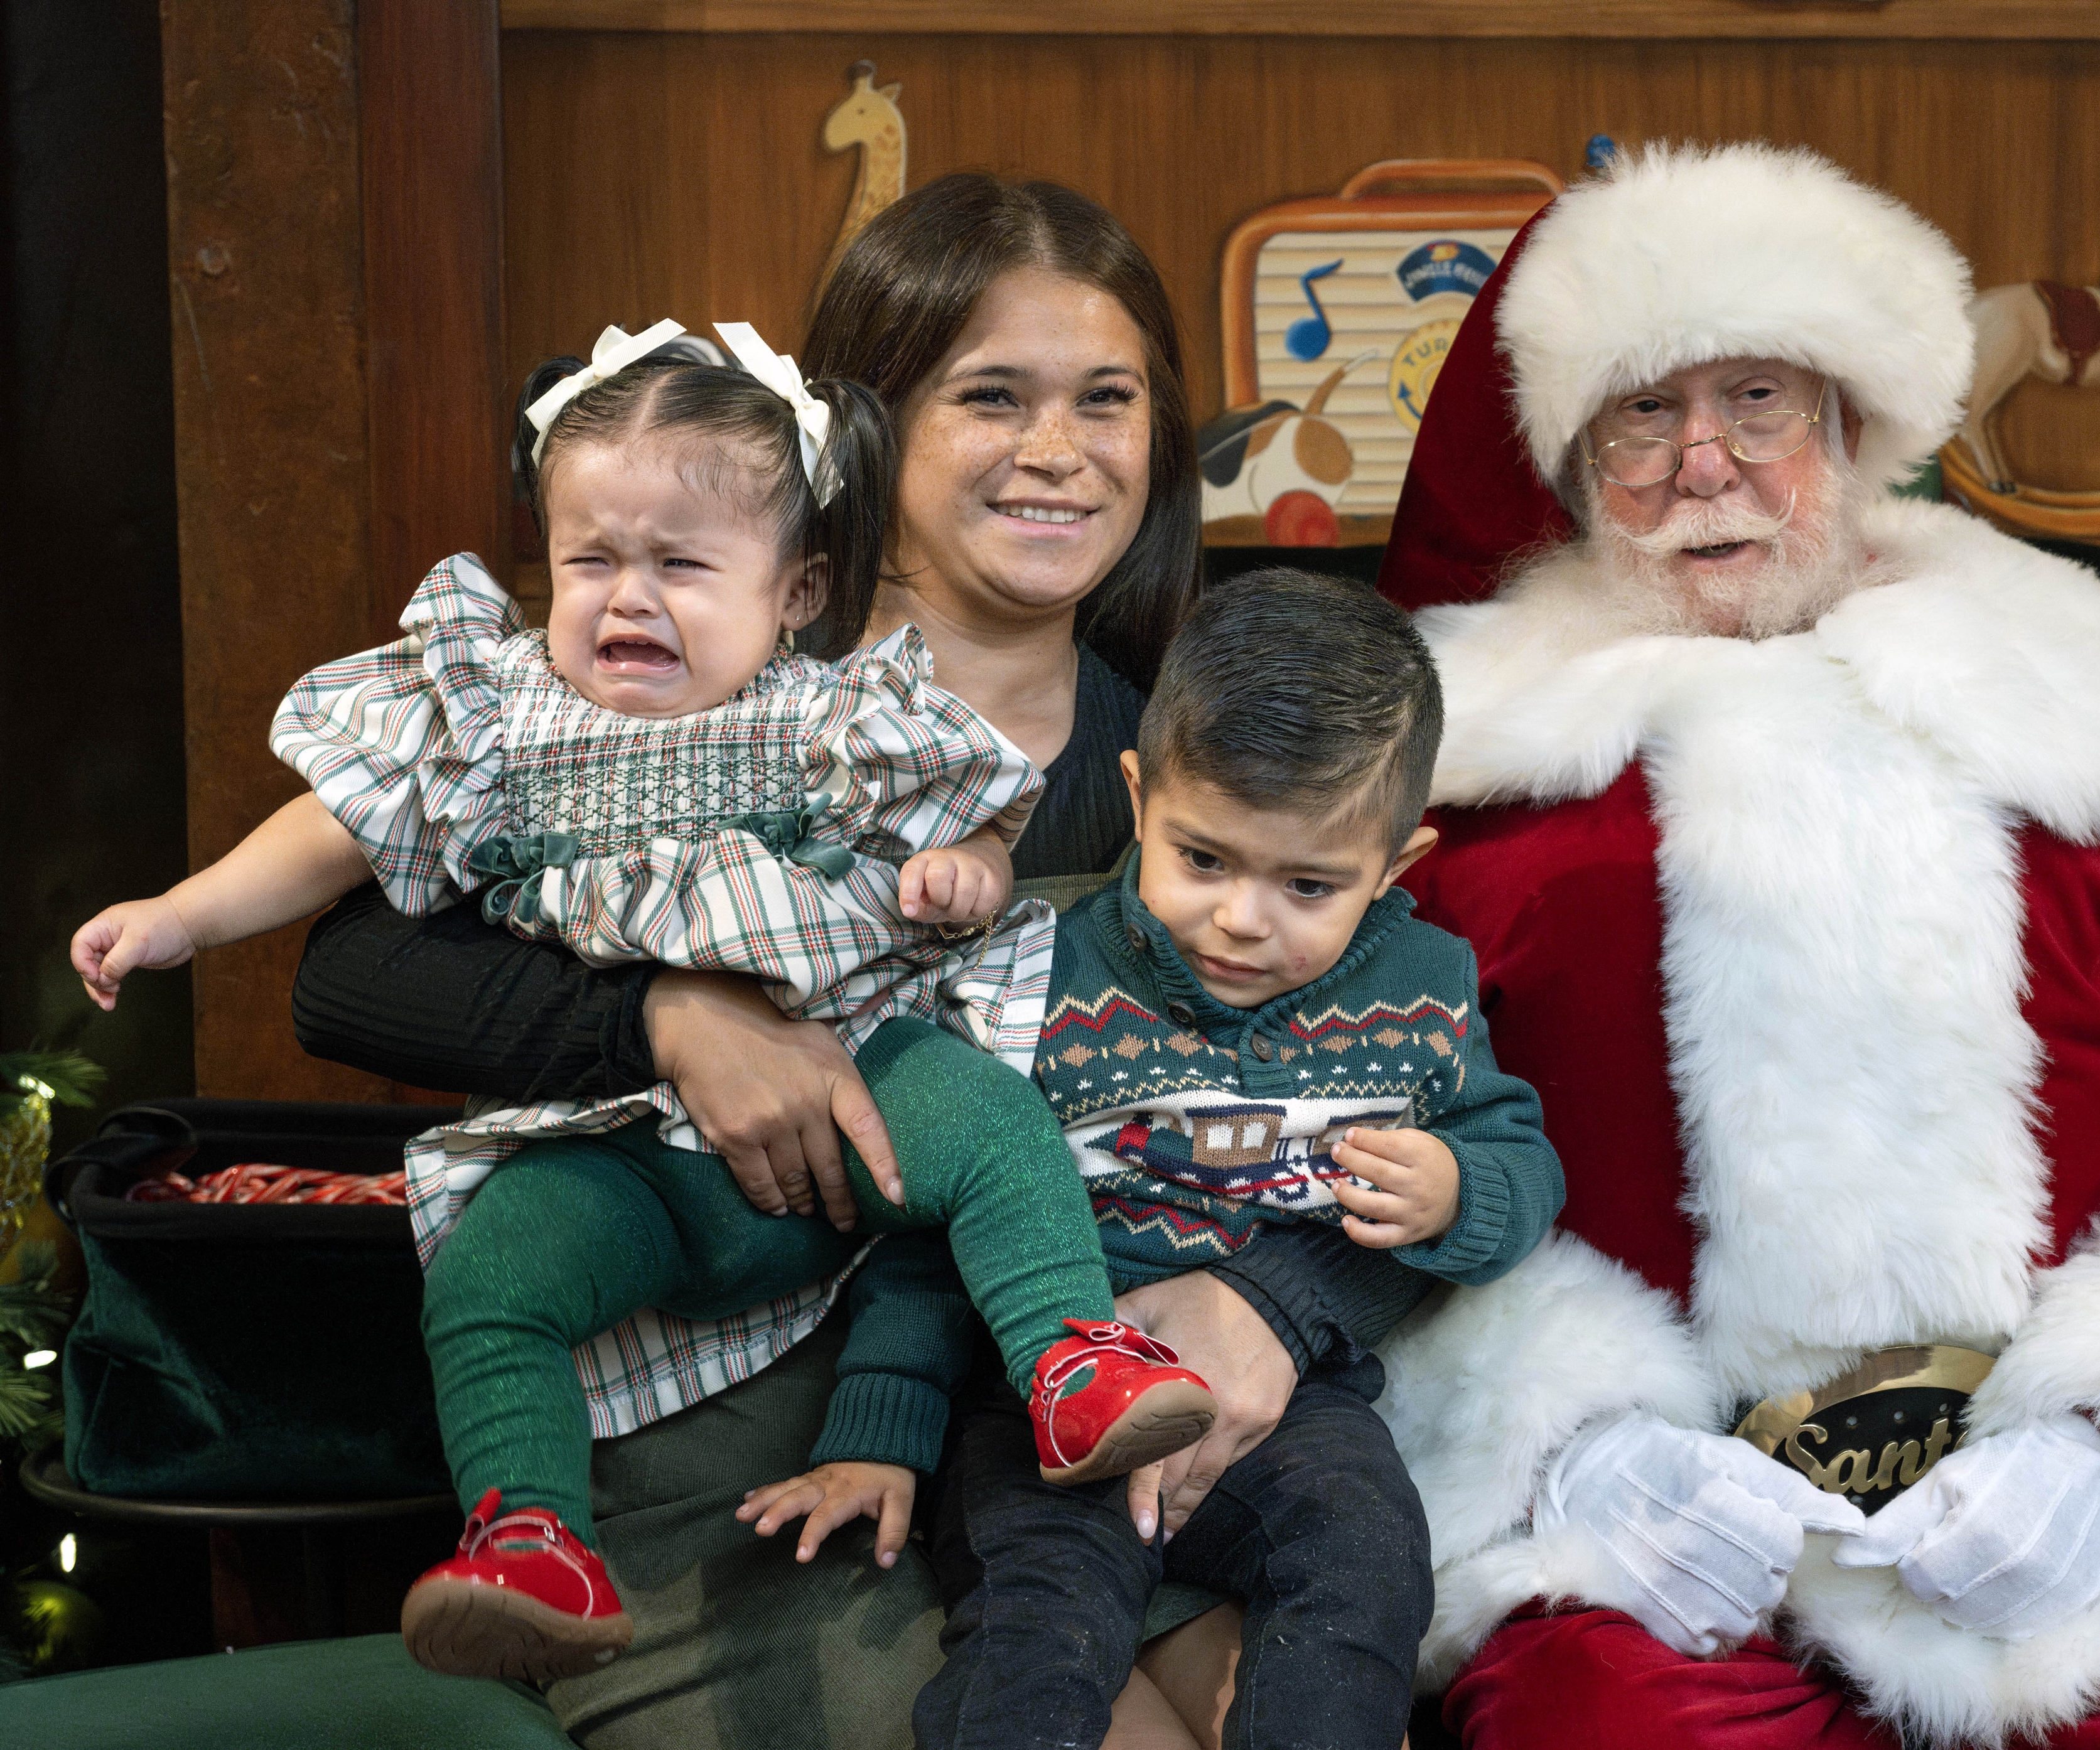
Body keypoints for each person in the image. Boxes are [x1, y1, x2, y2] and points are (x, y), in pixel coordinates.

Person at [283, 174, 1429, 1747]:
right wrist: (671, 1014)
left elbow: (1404, 1081)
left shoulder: (1181, 751)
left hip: (1045, 1439)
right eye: (989, 398)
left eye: (1107, 400)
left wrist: (1275, 1300)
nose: (1057, 452)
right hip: (734, 1454)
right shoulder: (687, 654)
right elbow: (342, 975)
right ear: (863, 435)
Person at [1360, 141, 2100, 1748]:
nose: (1703, 462)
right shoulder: (1461, 784)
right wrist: (1576, 1450)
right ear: (1575, 462)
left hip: (2074, 1532)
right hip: (1661, 1540)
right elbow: (1354, 1140)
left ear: (1847, 425)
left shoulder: (2080, 711)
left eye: (1756, 400)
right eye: (1643, 413)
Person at [70, 324, 1229, 1680]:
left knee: (989, 1114)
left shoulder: (832, 715)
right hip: (618, 1151)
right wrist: (180, 915)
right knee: (491, 1271)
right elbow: (335, 830)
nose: (630, 597)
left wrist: (963, 872)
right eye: (590, 558)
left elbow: (975, 826)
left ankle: (1068, 1359)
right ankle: (529, 1536)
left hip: (858, 1082)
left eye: (681, 563)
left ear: (795, 589)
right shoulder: (498, 720)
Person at [739, 570, 1561, 1747]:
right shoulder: (1039, 984)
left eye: (1310, 885)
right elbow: (936, 1227)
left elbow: (1521, 1159)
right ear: (1139, 796)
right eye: (1207, 859)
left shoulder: (1423, 993)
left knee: (1368, 1560)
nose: (1242, 919)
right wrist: (884, 1422)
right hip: (1051, 1394)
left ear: (1395, 866)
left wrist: (1462, 1190)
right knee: (1038, 1631)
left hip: (1296, 1413)